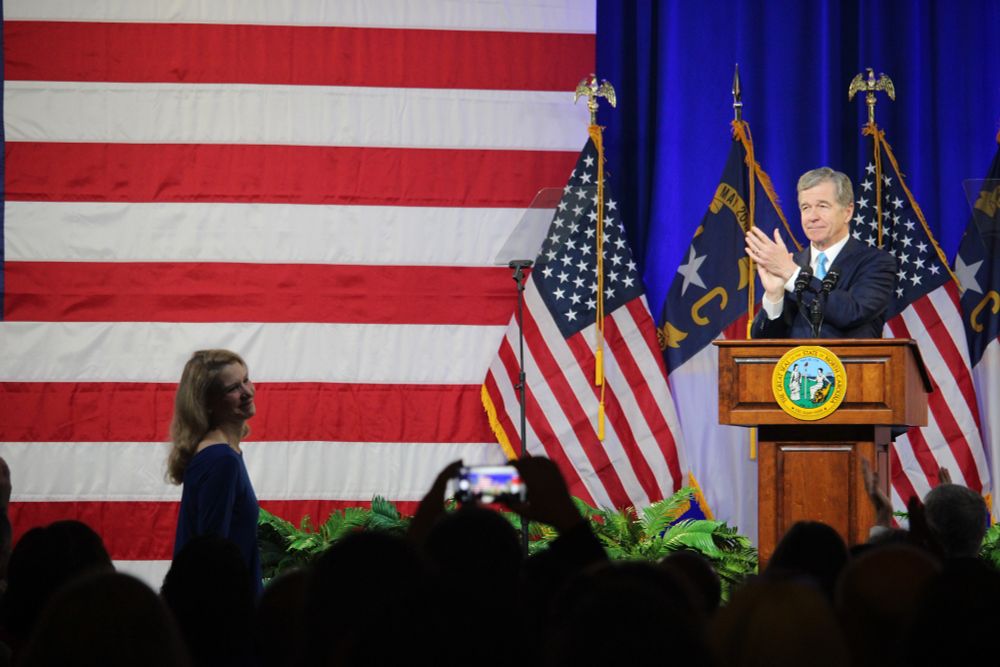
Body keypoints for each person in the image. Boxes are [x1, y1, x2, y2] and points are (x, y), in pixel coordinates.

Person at [745, 167, 896, 338]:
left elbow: (852, 312)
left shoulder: (876, 262)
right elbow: (763, 342)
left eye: (822, 206)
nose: (812, 216)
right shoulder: (791, 262)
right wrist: (774, 296)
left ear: (848, 212)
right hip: (795, 364)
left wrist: (793, 275)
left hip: (850, 364)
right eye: (805, 207)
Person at [167, 349, 262, 595]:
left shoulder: (223, 455)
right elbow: (211, 561)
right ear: (207, 403)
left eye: (246, 380)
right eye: (233, 389)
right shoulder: (221, 460)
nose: (247, 392)